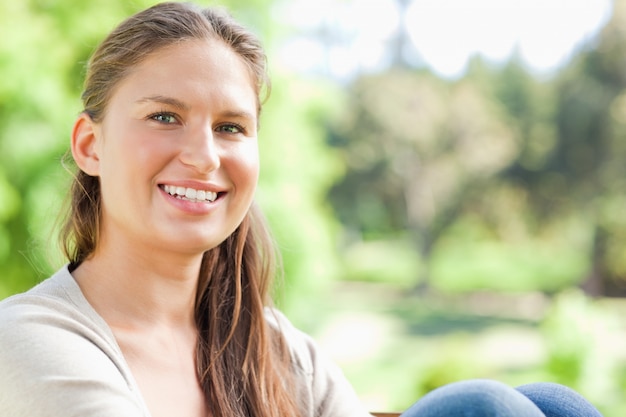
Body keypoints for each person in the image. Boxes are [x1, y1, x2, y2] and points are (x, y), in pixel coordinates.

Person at [0, 2, 604, 417]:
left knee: (555, 404)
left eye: (231, 127)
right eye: (165, 117)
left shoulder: (270, 347)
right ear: (90, 145)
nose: (205, 156)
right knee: (488, 409)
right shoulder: (28, 340)